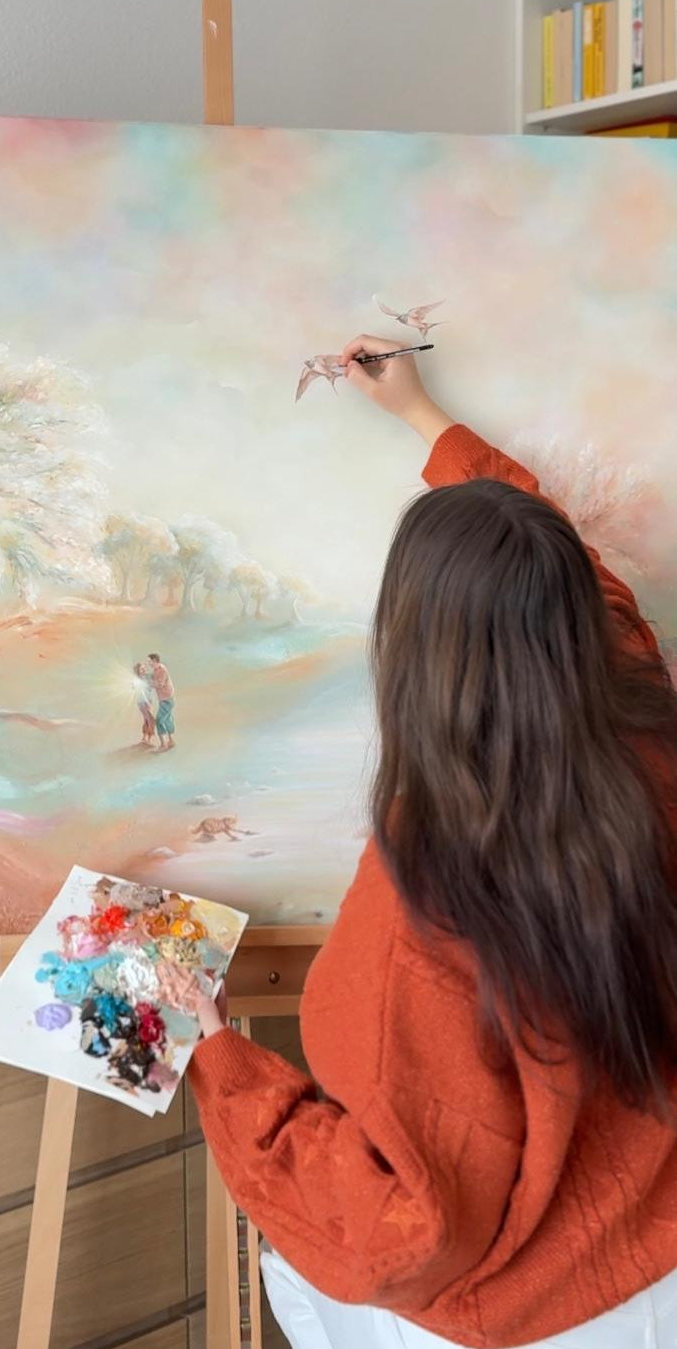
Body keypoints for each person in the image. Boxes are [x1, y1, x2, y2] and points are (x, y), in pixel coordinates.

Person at [190, 336, 677, 1349]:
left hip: (537, 1312)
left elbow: (400, 1229)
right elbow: (564, 568)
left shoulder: (427, 886)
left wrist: (218, 1060)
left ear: (412, 653)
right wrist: (420, 416)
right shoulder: (648, 722)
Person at [148, 652, 176, 751]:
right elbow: (152, 677)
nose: (148, 663)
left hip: (167, 699)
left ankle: (164, 744)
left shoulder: (162, 670)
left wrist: (147, 684)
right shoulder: (156, 670)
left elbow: (160, 684)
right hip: (165, 698)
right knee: (167, 719)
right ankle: (171, 741)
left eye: (149, 661)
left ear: (154, 660)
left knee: (159, 720)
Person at [132, 661, 156, 746]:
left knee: (146, 720)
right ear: (138, 671)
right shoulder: (137, 680)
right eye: (141, 669)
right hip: (142, 702)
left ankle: (144, 738)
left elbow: (152, 685)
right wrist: (147, 702)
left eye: (144, 668)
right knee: (151, 720)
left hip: (148, 701)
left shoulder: (146, 678)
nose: (144, 670)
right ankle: (149, 739)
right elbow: (141, 693)